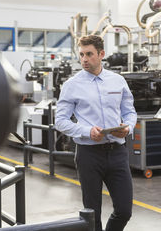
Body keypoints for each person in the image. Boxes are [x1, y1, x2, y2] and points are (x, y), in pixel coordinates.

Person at [55, 35, 137, 231]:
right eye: (81, 54)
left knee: (125, 210)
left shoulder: (117, 81)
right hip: (88, 155)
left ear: (101, 54)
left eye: (89, 54)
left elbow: (129, 112)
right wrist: (86, 131)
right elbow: (60, 121)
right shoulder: (71, 85)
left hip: (117, 153)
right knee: (92, 215)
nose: (84, 59)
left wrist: (127, 128)